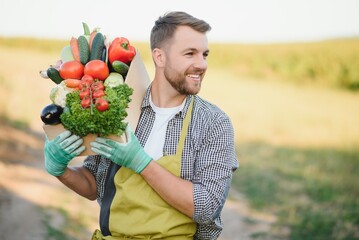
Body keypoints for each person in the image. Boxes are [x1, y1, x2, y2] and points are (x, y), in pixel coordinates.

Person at [43, 11, 238, 239]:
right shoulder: (119, 109)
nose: (201, 64)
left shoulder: (213, 123)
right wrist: (60, 170)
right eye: (190, 54)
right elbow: (94, 185)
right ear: (160, 57)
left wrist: (141, 163)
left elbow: (205, 207)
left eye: (204, 54)